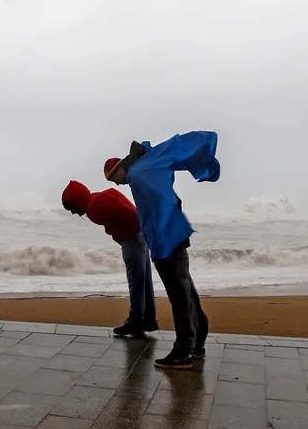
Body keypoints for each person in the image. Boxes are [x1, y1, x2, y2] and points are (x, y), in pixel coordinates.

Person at [104, 130, 220, 370]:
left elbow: (153, 211)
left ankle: (183, 351)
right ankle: (198, 341)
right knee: (186, 288)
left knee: (178, 293)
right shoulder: (149, 163)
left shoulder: (139, 173)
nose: (117, 184)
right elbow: (170, 173)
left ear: (118, 170)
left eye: (113, 179)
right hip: (175, 233)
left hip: (165, 239)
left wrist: (158, 242)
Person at [61, 180, 158, 337]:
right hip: (139, 235)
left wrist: (131, 229)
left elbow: (127, 212)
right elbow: (120, 205)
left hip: (132, 238)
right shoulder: (95, 200)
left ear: (78, 200)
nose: (72, 212)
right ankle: (148, 320)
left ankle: (135, 322)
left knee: (136, 282)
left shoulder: (93, 207)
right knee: (144, 280)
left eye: (71, 207)